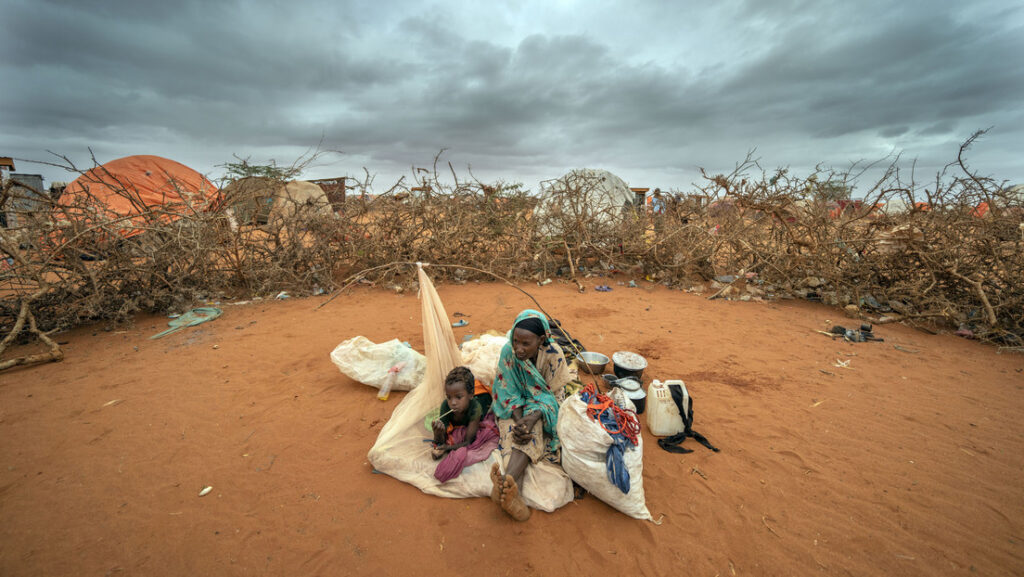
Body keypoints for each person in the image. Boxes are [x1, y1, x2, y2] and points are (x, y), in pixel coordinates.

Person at [489, 309, 574, 521]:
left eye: (526, 344)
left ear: (541, 340)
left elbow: (554, 396)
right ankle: (511, 488)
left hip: (545, 406)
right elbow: (506, 392)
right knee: (517, 434)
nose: (519, 348)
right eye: (516, 341)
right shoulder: (508, 352)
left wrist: (534, 417)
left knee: (533, 429)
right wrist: (521, 422)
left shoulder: (554, 355)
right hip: (515, 407)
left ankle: (506, 483)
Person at [431, 366, 499, 482]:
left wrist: (448, 448)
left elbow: (468, 442)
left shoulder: (475, 408)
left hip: (483, 400)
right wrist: (438, 433)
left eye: (458, 397)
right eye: (449, 397)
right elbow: (440, 441)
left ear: (471, 395)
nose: (453, 403)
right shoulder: (445, 406)